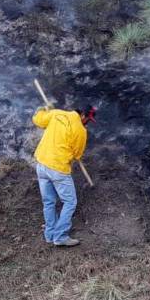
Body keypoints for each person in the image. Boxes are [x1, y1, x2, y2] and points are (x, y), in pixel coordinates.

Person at [32, 103, 95, 246]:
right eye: (87, 120)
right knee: (70, 202)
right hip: (58, 169)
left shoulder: (56, 114)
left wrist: (41, 109)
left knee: (49, 202)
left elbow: (38, 120)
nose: (87, 123)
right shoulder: (80, 130)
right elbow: (77, 154)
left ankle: (50, 234)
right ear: (83, 115)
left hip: (41, 165)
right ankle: (60, 236)